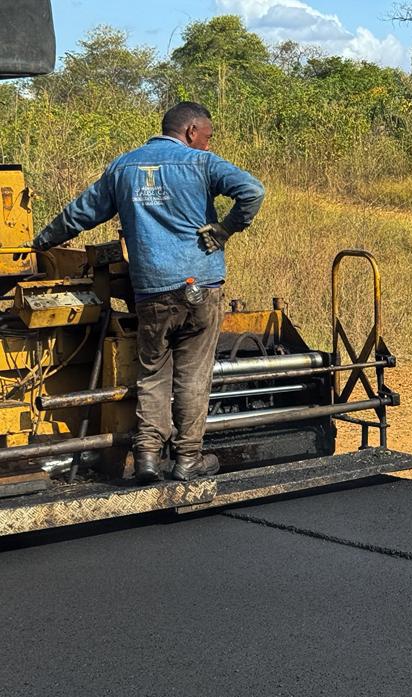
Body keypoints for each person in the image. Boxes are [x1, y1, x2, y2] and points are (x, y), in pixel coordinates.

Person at [29, 102, 265, 483]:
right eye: (207, 137)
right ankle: (188, 459)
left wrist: (40, 243)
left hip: (152, 290)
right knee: (192, 376)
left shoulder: (124, 167)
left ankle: (148, 459)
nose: (208, 145)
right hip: (201, 287)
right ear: (191, 131)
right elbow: (252, 191)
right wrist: (225, 229)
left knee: (153, 373)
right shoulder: (200, 163)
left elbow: (80, 213)